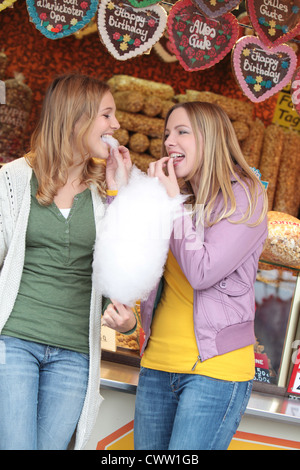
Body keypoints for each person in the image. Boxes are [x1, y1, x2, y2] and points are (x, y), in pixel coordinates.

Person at [104, 101, 268, 450]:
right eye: (166, 134)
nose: (168, 142)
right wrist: (119, 189)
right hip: (157, 366)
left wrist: (169, 200)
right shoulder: (176, 195)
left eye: (182, 132)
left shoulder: (246, 196)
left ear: (210, 139)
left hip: (214, 372)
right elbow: (126, 249)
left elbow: (202, 271)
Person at [0, 72, 135, 450]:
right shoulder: (12, 180)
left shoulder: (106, 188)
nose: (116, 124)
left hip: (75, 352)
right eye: (107, 115)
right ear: (77, 117)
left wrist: (119, 194)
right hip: (13, 340)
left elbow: (121, 269)